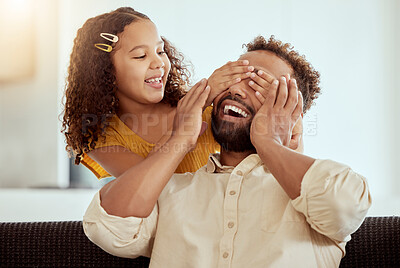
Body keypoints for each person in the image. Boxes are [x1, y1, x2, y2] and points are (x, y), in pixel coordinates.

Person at [83, 36, 371, 267]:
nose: (239, 91)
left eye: (261, 86)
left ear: (292, 118)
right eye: (235, 76)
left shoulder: (317, 195)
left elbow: (344, 207)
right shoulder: (170, 193)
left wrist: (269, 142)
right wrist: (180, 137)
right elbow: (107, 226)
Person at [61, 7, 254, 178]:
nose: (159, 63)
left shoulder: (207, 113)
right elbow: (144, 182)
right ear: (105, 70)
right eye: (141, 56)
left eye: (160, 51)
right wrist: (197, 103)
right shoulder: (100, 136)